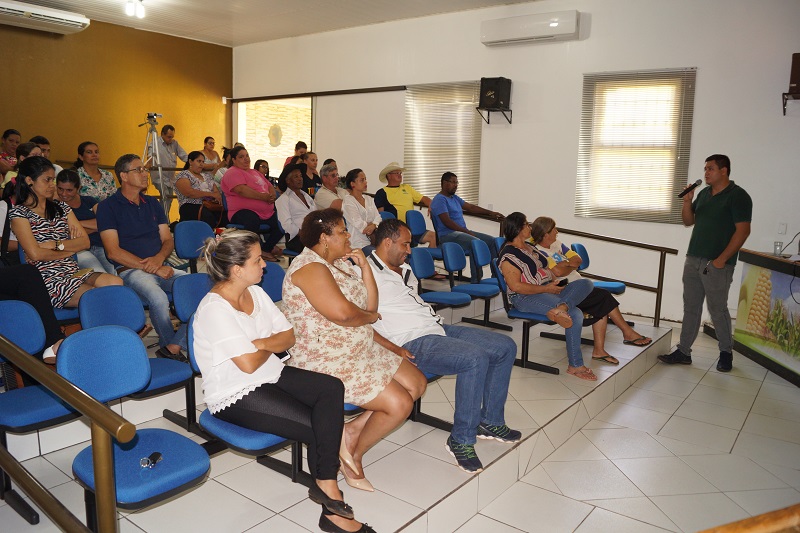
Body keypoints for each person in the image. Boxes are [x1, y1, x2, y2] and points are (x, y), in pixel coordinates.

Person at [193, 229, 374, 533]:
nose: (264, 265)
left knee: (331, 388)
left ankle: (325, 487)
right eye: (257, 260)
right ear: (237, 270)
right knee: (320, 426)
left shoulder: (256, 292)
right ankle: (333, 506)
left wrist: (259, 344)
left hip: (270, 373)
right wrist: (266, 344)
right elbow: (247, 365)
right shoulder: (214, 309)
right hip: (234, 392)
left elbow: (289, 336)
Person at [282, 209, 427, 491]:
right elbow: (345, 315)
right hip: (328, 358)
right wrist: (370, 317)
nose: (349, 235)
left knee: (417, 383)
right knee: (400, 404)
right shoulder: (308, 268)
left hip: (360, 345)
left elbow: (372, 305)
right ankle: (354, 456)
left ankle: (349, 432)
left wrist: (364, 269)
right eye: (342, 231)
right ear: (324, 238)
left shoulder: (342, 263)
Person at [369, 219, 521, 473]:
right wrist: (393, 349)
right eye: (405, 244)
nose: (410, 250)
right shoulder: (365, 273)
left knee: (504, 345)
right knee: (473, 358)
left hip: (437, 329)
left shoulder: (404, 269)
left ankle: (491, 421)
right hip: (410, 340)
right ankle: (461, 438)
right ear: (387, 242)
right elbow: (358, 319)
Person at [659, 154, 752, 372]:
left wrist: (721, 259)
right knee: (691, 307)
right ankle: (684, 351)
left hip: (718, 264)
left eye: (710, 169)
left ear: (724, 171)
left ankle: (726, 353)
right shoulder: (703, 194)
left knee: (717, 309)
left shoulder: (738, 196)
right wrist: (688, 201)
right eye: (705, 169)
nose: (706, 173)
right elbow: (688, 221)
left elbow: (743, 231)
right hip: (693, 259)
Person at [97, 154, 189, 362]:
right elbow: (113, 251)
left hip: (160, 264)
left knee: (200, 287)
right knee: (158, 298)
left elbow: (168, 240)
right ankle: (169, 349)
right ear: (124, 176)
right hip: (130, 271)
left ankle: (174, 346)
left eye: (144, 170)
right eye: (138, 170)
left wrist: (158, 260)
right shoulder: (108, 207)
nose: (144, 173)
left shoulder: (153, 203)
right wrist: (155, 267)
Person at [531, 216, 653, 364]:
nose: (557, 232)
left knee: (601, 301)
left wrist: (567, 263)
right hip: (565, 290)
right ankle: (624, 335)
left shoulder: (557, 244)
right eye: (554, 230)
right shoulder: (539, 252)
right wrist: (568, 264)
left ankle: (605, 347)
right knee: (602, 297)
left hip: (579, 285)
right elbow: (558, 272)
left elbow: (578, 260)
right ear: (545, 234)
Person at [10, 157, 121, 309]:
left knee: (116, 283)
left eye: (53, 180)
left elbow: (85, 242)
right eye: (47, 180)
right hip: (48, 279)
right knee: (99, 297)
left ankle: (115, 331)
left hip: (72, 272)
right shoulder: (19, 214)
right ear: (30, 180)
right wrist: (68, 250)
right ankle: (110, 331)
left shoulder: (61, 207)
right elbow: (35, 255)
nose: (52, 185)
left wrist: (54, 245)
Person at [499, 212, 597, 380]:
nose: (530, 227)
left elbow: (553, 269)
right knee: (575, 314)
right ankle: (575, 365)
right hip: (524, 297)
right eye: (527, 225)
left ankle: (561, 307)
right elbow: (516, 286)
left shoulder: (530, 248)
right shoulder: (509, 255)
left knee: (586, 283)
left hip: (547, 288)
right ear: (518, 228)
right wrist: (546, 288)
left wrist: (552, 283)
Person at [430, 172, 504, 282]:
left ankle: (496, 277)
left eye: (457, 183)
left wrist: (491, 213)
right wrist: (466, 231)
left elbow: (470, 207)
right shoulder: (440, 200)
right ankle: (476, 280)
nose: (456, 185)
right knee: (475, 242)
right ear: (444, 183)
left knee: (492, 241)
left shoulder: (454, 198)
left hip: (461, 233)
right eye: (453, 182)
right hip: (448, 235)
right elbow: (447, 222)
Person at [219, 146, 283, 261]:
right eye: (241, 157)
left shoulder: (254, 172)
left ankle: (265, 250)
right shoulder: (232, 173)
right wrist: (263, 197)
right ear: (234, 160)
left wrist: (272, 194)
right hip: (240, 212)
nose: (246, 159)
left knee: (281, 223)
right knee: (252, 221)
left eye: (247, 155)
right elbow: (241, 190)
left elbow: (268, 185)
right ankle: (250, 254)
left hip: (265, 211)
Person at [56, 169, 116, 275]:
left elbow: (104, 222)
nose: (64, 194)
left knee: (113, 273)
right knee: (100, 273)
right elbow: (67, 235)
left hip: (100, 245)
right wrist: (93, 226)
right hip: (79, 251)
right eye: (60, 189)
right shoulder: (55, 207)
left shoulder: (89, 200)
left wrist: (77, 224)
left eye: (69, 190)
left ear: (78, 188)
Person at [373, 162, 436, 248]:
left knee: (434, 237)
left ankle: (426, 260)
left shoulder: (407, 188)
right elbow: (381, 215)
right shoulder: (381, 193)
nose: (400, 175)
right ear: (389, 175)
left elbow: (423, 198)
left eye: (400, 173)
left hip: (413, 228)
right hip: (396, 231)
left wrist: (430, 204)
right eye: (396, 173)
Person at [174, 151, 225, 228]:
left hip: (210, 205)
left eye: (203, 162)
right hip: (191, 206)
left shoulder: (207, 176)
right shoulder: (183, 175)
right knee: (208, 216)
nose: (201, 164)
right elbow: (189, 192)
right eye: (198, 161)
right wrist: (210, 194)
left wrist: (215, 197)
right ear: (190, 161)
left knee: (224, 216)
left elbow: (216, 192)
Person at [275, 163, 316, 253]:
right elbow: (286, 224)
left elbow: (316, 215)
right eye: (296, 177)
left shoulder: (307, 196)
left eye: (300, 176)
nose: (300, 179)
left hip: (313, 234)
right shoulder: (284, 199)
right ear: (288, 180)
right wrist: (304, 234)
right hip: (297, 239)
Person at [148, 124, 188, 214]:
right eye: (169, 137)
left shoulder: (174, 143)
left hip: (170, 178)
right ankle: (163, 219)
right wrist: (148, 164)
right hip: (159, 177)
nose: (170, 139)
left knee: (169, 199)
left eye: (172, 137)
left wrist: (192, 162)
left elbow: (184, 155)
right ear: (162, 134)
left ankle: (163, 217)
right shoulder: (155, 143)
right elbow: (150, 156)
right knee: (165, 196)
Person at [342, 168, 381, 251]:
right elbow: (359, 224)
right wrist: (371, 224)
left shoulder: (369, 199)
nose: (365, 182)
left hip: (373, 241)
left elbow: (378, 218)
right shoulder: (348, 201)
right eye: (362, 180)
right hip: (357, 244)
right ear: (353, 184)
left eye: (365, 179)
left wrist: (374, 225)